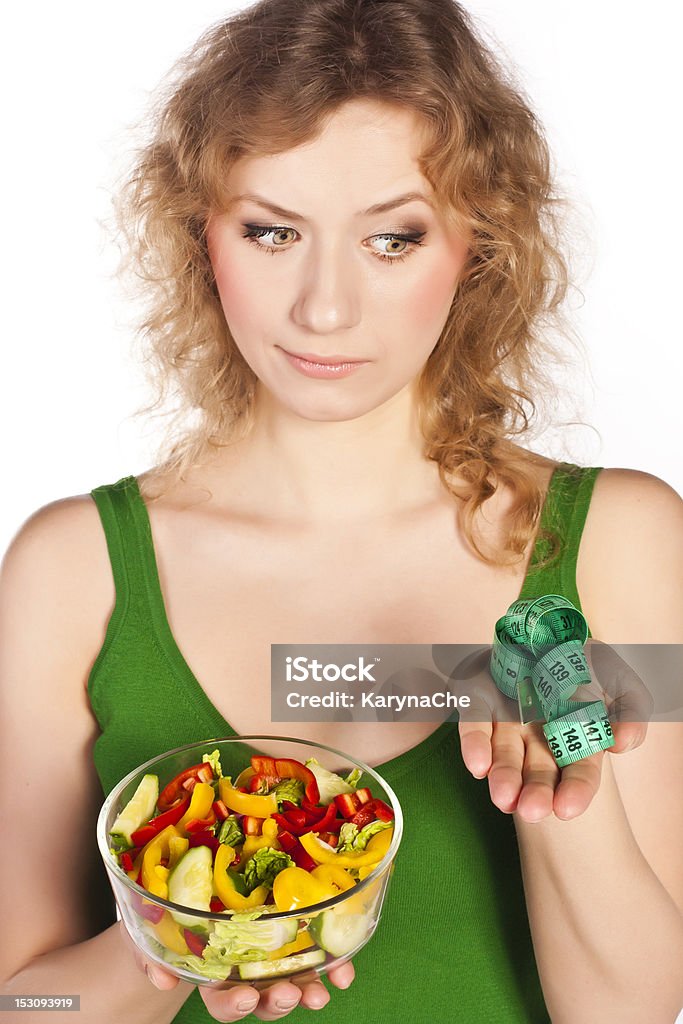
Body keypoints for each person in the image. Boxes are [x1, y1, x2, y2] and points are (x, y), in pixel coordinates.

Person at [1, 0, 681, 1021]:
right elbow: (27, 1006)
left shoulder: (619, 541)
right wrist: (186, 948)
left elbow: (639, 1008)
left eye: (391, 239)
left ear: (477, 243)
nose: (323, 307)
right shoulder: (73, 568)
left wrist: (555, 800)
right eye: (271, 230)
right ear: (202, 234)